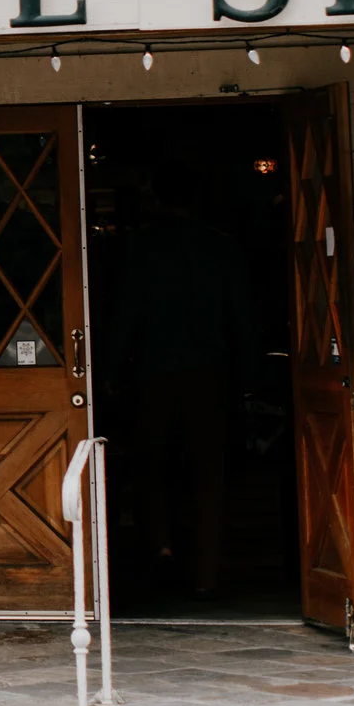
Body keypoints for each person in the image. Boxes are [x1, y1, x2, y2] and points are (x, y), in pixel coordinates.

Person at [104, 158, 259, 599]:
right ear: (196, 198)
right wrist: (249, 376)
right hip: (209, 373)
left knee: (149, 464)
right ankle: (206, 574)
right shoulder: (222, 249)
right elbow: (242, 319)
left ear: (155, 197)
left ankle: (161, 545)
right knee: (208, 474)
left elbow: (125, 315)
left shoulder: (138, 249)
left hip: (152, 372)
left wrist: (111, 369)